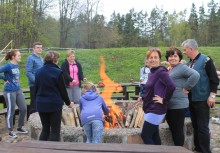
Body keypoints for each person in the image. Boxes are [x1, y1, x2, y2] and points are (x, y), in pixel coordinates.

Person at [181, 39, 219, 153]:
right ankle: (198, 148)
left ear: (191, 49)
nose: (184, 52)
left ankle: (205, 150)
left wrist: (212, 95)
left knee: (203, 128)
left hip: (202, 99)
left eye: (185, 50)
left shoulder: (206, 60)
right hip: (191, 99)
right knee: (196, 126)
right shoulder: (189, 63)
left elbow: (214, 79)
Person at [35, 51, 74, 141]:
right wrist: (68, 103)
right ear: (55, 60)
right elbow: (63, 91)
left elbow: (36, 89)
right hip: (54, 104)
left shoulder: (38, 72)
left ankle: (41, 150)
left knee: (45, 129)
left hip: (41, 104)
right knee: (55, 131)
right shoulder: (58, 72)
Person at [165, 47, 200, 146]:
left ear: (179, 57)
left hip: (178, 105)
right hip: (170, 104)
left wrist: (187, 87)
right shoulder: (171, 69)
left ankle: (179, 150)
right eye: (170, 56)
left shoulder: (182, 67)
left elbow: (196, 75)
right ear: (167, 58)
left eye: (175, 56)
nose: (173, 58)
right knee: (173, 129)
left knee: (177, 131)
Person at [141, 48, 176, 145]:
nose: (153, 59)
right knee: (154, 135)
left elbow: (172, 86)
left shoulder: (160, 72)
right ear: (147, 59)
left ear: (159, 59)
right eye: (150, 57)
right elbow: (152, 89)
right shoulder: (152, 72)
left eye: (155, 57)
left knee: (145, 135)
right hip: (150, 107)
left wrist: (164, 100)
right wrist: (143, 97)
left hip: (156, 109)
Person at [0, 49, 28, 138]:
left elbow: (16, 77)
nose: (20, 57)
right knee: (11, 111)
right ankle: (10, 131)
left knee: (23, 108)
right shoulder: (8, 66)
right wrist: (4, 79)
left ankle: (19, 127)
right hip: (9, 91)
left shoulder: (16, 65)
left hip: (18, 90)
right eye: (18, 56)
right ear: (13, 57)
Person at [26, 42, 43, 115]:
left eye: (41, 47)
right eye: (38, 47)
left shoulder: (41, 58)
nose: (40, 49)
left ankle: (38, 121)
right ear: (33, 49)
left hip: (41, 84)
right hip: (34, 85)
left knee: (40, 103)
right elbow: (28, 72)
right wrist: (36, 81)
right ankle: (31, 122)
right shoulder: (31, 58)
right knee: (34, 104)